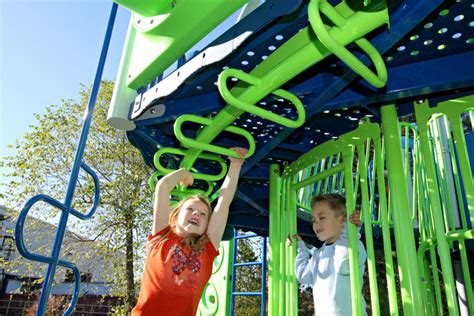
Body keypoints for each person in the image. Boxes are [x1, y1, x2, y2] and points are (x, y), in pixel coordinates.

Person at [132, 147, 247, 315]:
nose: (196, 214)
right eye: (190, 209)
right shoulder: (161, 237)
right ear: (176, 216)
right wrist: (184, 173)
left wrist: (236, 165)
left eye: (203, 214)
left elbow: (223, 204)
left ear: (207, 224)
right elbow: (163, 188)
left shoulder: (207, 247)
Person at [289, 193, 367, 315]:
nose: (316, 224)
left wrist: (350, 229)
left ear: (342, 220)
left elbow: (344, 260)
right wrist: (301, 248)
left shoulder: (354, 246)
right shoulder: (317, 255)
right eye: (314, 220)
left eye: (322, 218)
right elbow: (303, 276)